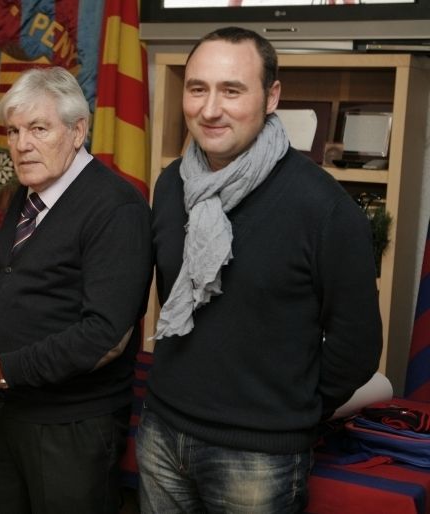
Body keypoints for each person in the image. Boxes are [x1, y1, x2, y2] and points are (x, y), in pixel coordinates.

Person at [136, 26, 382, 513]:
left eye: (232, 91)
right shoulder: (171, 185)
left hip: (258, 457)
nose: (210, 109)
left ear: (271, 97)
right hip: (161, 432)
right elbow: (171, 296)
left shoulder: (323, 208)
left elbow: (356, 346)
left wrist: (292, 412)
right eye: (197, 88)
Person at [0, 66, 153, 514]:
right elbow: (25, 294)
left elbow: (104, 337)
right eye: (14, 132)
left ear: (78, 131)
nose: (21, 145)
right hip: (1, 413)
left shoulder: (117, 208)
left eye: (38, 129)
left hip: (70, 427)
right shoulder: (28, 191)